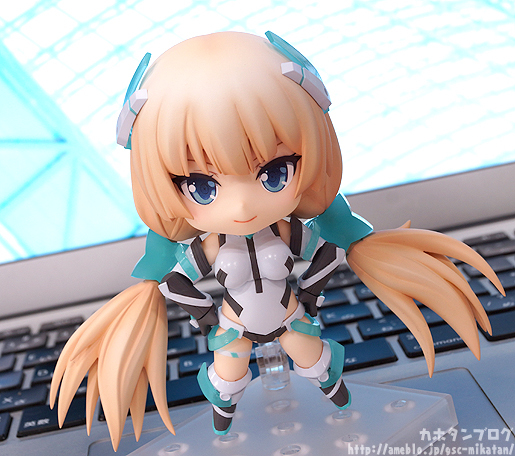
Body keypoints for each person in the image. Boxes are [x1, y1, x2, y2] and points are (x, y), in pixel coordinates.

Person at [50, 31, 504, 451]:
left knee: (317, 364)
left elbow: (327, 253)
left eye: (273, 173)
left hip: (291, 316)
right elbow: (174, 281)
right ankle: (223, 428)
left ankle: (341, 405)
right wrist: (206, 319)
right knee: (227, 380)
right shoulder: (210, 249)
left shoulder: (288, 232)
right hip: (233, 326)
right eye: (202, 186)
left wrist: (310, 296)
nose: (242, 205)